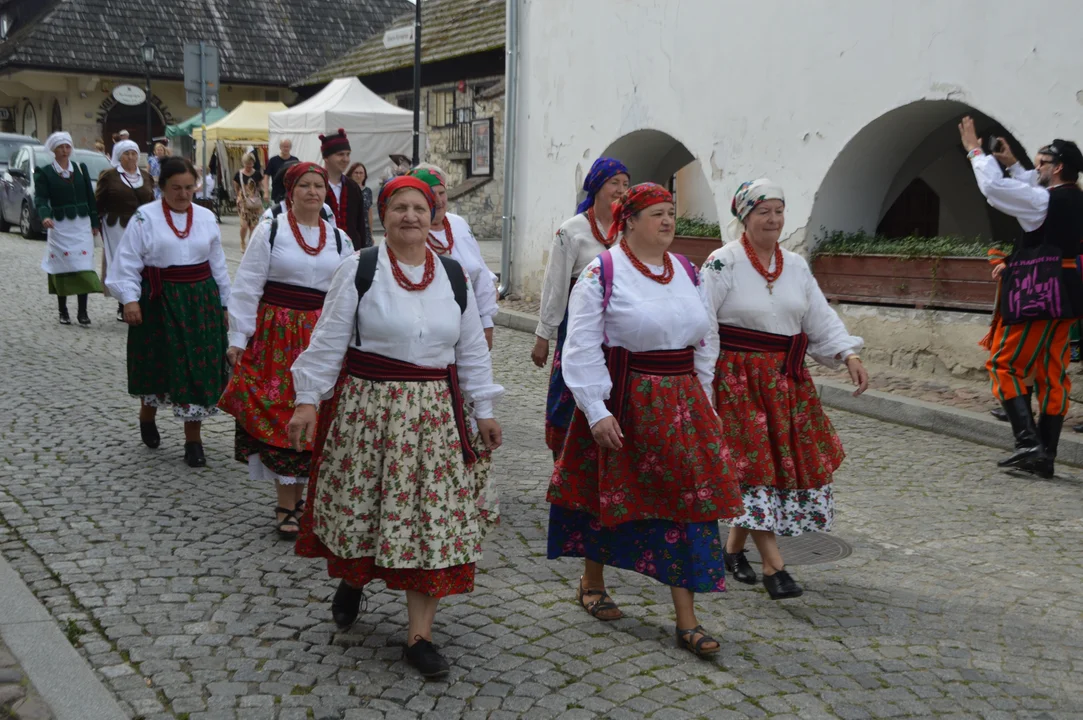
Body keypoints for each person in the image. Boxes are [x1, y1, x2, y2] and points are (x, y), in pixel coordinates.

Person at [289, 175, 503, 679]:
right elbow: (328, 341)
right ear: (381, 216)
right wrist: (307, 401)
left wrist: (484, 409)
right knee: (366, 511)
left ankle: (419, 636)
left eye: (419, 208)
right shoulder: (359, 269)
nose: (410, 216)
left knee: (433, 522)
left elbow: (470, 349)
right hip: (370, 412)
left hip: (437, 417)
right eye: (399, 208)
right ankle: (354, 580)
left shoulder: (453, 276)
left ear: (434, 217)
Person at [545, 182, 743, 658]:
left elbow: (706, 335)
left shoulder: (685, 270)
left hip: (682, 404)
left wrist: (704, 396)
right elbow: (580, 347)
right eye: (657, 213)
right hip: (626, 402)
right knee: (609, 495)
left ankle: (687, 621)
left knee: (689, 506)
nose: (668, 221)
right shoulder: (602, 272)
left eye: (671, 212)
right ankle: (592, 581)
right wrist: (596, 410)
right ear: (629, 221)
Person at [701, 179, 868, 600]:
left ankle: (733, 550)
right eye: (763, 212)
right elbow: (702, 327)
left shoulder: (795, 265)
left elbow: (818, 317)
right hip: (737, 382)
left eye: (778, 211)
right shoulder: (722, 264)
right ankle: (775, 567)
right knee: (754, 470)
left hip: (785, 383)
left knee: (767, 471)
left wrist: (848, 355)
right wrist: (705, 387)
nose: (773, 220)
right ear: (745, 216)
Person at [219, 162, 352, 539]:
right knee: (281, 415)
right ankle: (285, 501)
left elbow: (349, 293)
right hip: (275, 336)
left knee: (318, 415)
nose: (313, 192)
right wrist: (237, 339)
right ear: (290, 192)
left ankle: (306, 500)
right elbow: (246, 287)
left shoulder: (340, 239)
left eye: (319, 186)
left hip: (321, 336)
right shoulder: (270, 231)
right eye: (305, 186)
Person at [959, 117, 1083, 477]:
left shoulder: (1044, 201)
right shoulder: (1071, 198)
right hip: (1069, 292)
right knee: (1052, 373)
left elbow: (996, 190)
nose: (1037, 168)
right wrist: (1013, 161)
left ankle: (1029, 444)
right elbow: (1030, 186)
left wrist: (975, 152)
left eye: (1042, 162)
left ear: (1058, 168)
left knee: (1005, 364)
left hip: (1041, 291)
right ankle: (1045, 456)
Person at [106, 157, 232, 468]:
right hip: (158, 300)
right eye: (176, 187)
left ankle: (193, 441)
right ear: (162, 187)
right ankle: (147, 416)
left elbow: (219, 265)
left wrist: (226, 304)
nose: (184, 194)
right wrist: (130, 300)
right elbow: (128, 262)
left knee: (198, 370)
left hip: (200, 301)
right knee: (156, 364)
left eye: (189, 187)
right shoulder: (144, 218)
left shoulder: (205, 218)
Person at [532, 157, 630, 458]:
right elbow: (555, 287)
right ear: (597, 186)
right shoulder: (571, 231)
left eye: (626, 184)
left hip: (617, 331)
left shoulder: (629, 228)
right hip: (578, 327)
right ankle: (564, 458)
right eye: (614, 182)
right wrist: (543, 335)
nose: (621, 190)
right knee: (570, 392)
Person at [409, 165, 498, 348]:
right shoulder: (410, 230)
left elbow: (480, 273)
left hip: (469, 321)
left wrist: (486, 323)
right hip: (428, 327)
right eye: (431, 194)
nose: (438, 200)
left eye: (442, 193)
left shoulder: (458, 224)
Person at [37, 131, 103, 327]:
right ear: (54, 150)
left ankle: (83, 311)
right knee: (62, 266)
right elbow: (40, 198)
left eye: (67, 147)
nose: (65, 151)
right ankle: (63, 310)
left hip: (81, 225)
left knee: (83, 265)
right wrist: (45, 216)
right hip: (60, 226)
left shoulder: (80, 169)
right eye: (61, 147)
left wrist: (94, 222)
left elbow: (91, 199)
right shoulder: (46, 173)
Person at [95, 139, 154, 322]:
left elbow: (152, 201)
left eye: (134, 153)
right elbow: (98, 201)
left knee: (143, 261)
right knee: (122, 262)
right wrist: (96, 221)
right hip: (117, 226)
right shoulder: (109, 176)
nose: (130, 157)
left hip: (142, 226)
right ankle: (123, 303)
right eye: (126, 154)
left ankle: (141, 298)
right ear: (119, 156)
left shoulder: (145, 177)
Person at [319, 129, 368, 250]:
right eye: (340, 154)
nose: (345, 159)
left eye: (348, 154)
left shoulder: (353, 187)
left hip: (351, 250)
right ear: (326, 157)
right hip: (322, 249)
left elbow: (360, 224)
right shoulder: (316, 185)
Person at [234, 153, 265, 253]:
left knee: (253, 226)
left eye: (251, 163)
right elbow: (236, 188)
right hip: (243, 202)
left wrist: (260, 194)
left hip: (254, 201)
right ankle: (242, 241)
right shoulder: (238, 174)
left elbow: (260, 186)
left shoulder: (257, 174)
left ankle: (251, 243)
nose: (249, 166)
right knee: (244, 225)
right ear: (243, 163)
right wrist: (240, 197)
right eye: (247, 164)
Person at [348, 161, 374, 247]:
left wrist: (371, 233)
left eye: (361, 173)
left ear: (364, 175)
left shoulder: (368, 191)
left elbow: (369, 213)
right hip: (351, 228)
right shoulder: (347, 189)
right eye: (356, 173)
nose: (358, 175)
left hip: (365, 230)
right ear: (351, 174)